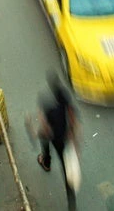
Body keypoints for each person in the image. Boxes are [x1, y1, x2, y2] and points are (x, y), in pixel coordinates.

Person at [36, 74, 78, 209]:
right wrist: (72, 133)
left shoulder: (46, 103)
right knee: (67, 170)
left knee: (43, 138)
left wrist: (43, 131)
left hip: (54, 137)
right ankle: (72, 203)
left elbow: (45, 126)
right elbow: (71, 113)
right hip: (64, 137)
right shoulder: (64, 95)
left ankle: (46, 162)